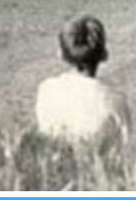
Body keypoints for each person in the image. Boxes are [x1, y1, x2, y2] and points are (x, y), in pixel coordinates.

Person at [35, 16, 130, 145]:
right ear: (104, 55)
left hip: (52, 162)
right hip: (97, 163)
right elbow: (126, 146)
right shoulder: (115, 101)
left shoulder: (46, 91)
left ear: (61, 55)